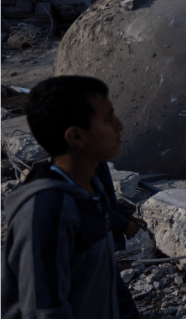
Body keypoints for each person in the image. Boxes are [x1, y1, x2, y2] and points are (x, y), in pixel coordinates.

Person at [2, 76, 140, 319]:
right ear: (76, 136)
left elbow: (106, 279)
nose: (119, 125)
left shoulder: (88, 187)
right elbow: (44, 311)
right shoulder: (48, 210)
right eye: (108, 119)